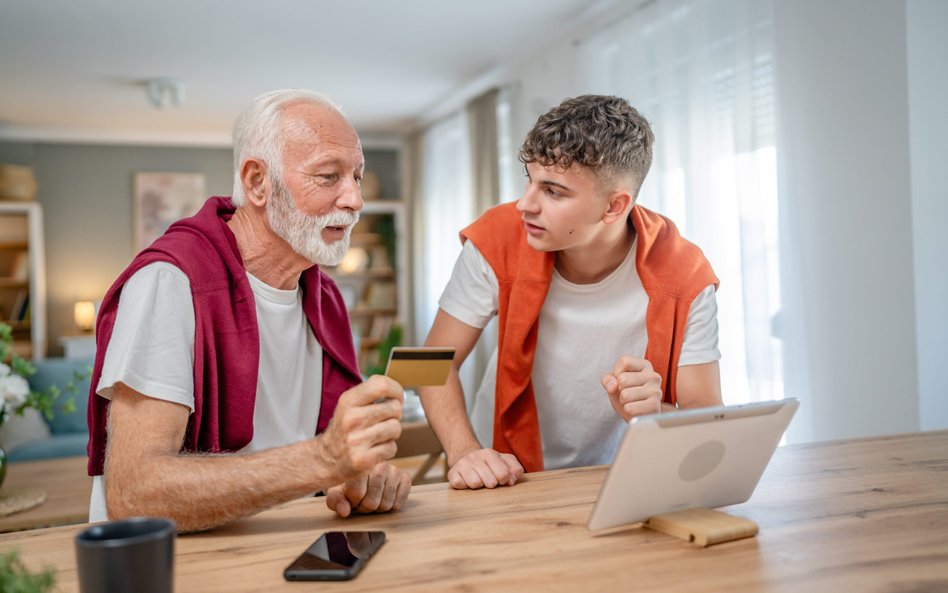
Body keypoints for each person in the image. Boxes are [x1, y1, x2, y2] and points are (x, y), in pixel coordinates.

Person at [86, 90, 411, 532]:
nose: (354, 199)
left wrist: (360, 479)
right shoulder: (170, 283)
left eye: (356, 175)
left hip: (285, 552)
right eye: (329, 176)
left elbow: (327, 469)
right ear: (258, 182)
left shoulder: (324, 297)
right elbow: (134, 493)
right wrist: (323, 460)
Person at [419, 95, 722, 490]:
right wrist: (463, 452)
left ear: (615, 207)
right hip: (501, 471)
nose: (524, 205)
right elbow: (426, 363)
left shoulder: (685, 273)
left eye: (553, 191)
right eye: (529, 179)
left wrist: (652, 410)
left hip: (619, 478)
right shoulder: (495, 238)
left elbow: (707, 420)